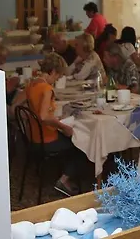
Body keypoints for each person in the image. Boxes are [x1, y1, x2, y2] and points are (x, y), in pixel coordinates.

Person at [24, 53, 86, 196]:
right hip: (46, 139)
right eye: (58, 75)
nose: (58, 79)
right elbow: (44, 116)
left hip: (33, 136)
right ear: (52, 71)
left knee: (71, 140)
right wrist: (63, 126)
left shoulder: (31, 84)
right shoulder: (47, 89)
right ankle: (64, 180)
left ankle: (64, 174)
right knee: (81, 145)